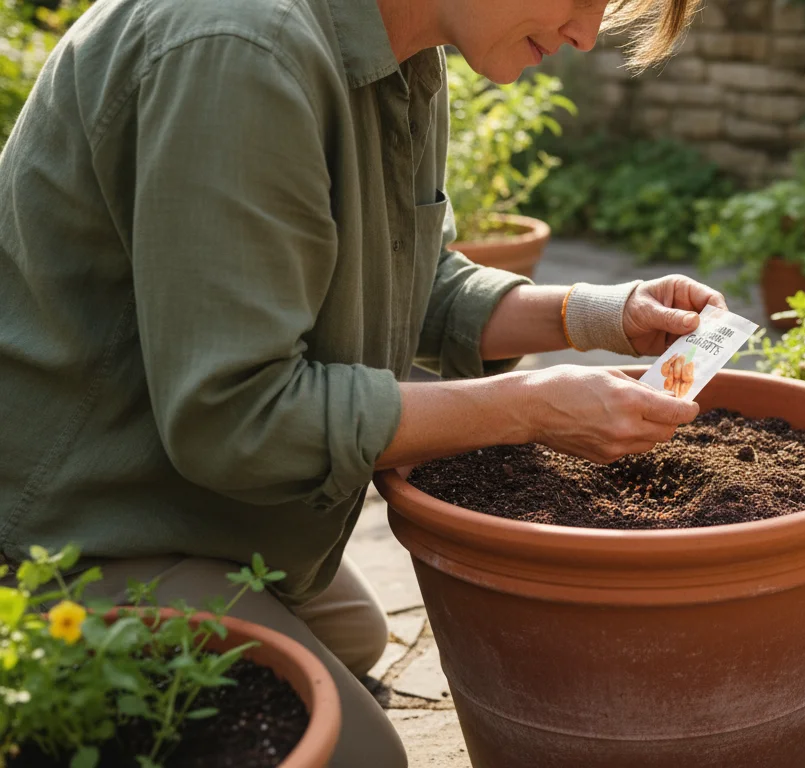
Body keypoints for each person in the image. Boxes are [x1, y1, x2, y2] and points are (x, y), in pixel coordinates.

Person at [0, 0, 710, 763]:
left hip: (170, 481)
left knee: (354, 634)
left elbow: (412, 277)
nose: (585, 33)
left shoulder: (403, 52)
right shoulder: (239, 51)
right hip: (65, 522)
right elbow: (239, 419)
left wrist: (604, 315)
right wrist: (529, 408)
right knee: (364, 756)